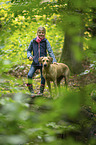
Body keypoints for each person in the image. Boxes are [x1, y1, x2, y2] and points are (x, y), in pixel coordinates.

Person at [27, 26, 57, 95]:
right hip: (35, 62)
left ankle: (41, 92)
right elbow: (28, 50)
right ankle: (31, 92)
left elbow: (50, 51)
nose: (41, 34)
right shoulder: (33, 41)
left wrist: (54, 60)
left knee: (43, 77)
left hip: (44, 64)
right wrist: (29, 56)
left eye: (43, 33)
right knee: (29, 75)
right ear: (37, 33)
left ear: (45, 33)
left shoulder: (46, 41)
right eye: (39, 32)